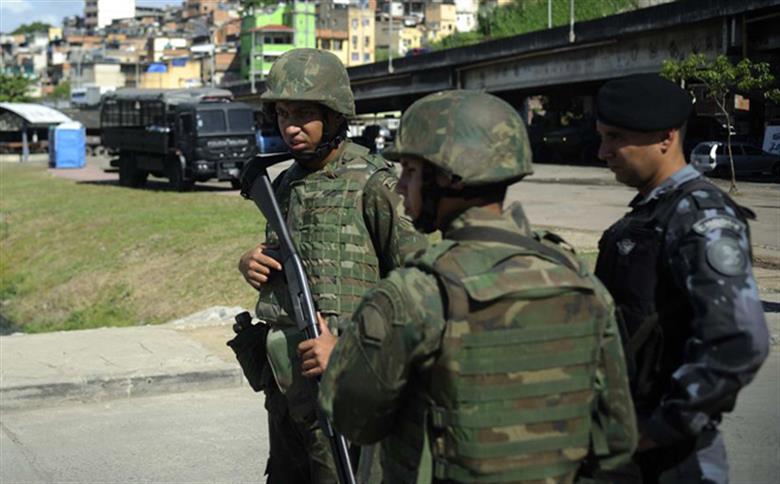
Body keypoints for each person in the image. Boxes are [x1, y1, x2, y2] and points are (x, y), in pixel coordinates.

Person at [299, 90, 637, 483]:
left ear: (447, 177)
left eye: (409, 171)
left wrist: (339, 358)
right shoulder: (577, 278)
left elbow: (355, 420)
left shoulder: (414, 293)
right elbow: (617, 440)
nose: (401, 187)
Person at [237, 48, 426, 483]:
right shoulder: (284, 182)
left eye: (303, 114)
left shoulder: (374, 183)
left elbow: (417, 288)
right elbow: (290, 254)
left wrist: (358, 354)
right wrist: (250, 262)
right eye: (282, 113)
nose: (290, 126)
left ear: (336, 115)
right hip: (287, 379)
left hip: (345, 374)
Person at [593, 74, 770, 483]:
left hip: (674, 461)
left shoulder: (700, 216)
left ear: (666, 137)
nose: (603, 152)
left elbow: (740, 339)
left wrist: (662, 429)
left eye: (615, 137)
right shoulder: (652, 212)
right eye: (602, 137)